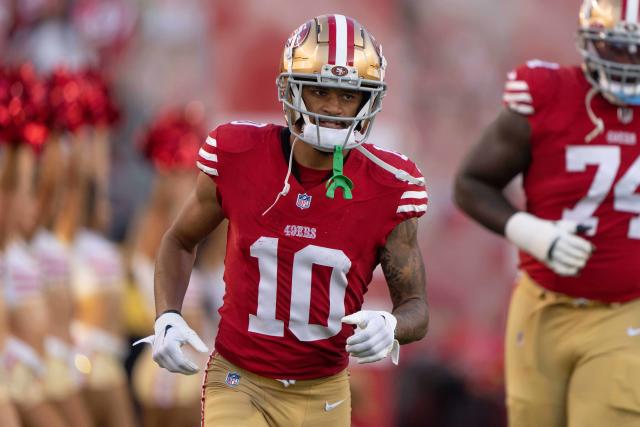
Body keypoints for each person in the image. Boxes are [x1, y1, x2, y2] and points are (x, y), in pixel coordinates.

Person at [137, 14, 429, 427]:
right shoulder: (238, 154)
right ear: (291, 88)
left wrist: (392, 324)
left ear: (369, 101)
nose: (333, 107)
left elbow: (416, 307)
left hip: (322, 390)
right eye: (320, 90)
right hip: (240, 379)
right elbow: (180, 240)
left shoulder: (391, 185)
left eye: (349, 96)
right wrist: (168, 314)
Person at [454, 1, 640, 425]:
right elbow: (471, 182)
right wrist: (532, 233)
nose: (630, 63)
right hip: (542, 302)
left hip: (627, 308)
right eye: (618, 48)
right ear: (590, 42)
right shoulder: (548, 94)